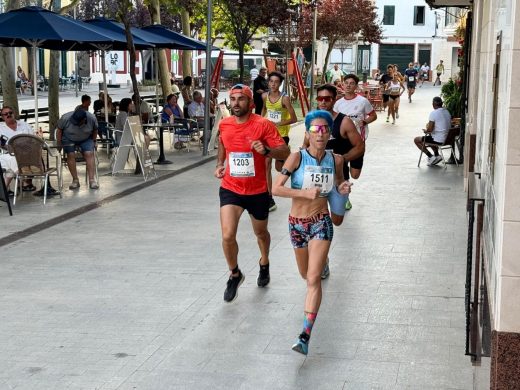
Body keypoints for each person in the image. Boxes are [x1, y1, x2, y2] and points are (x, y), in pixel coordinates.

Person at [272, 110, 352, 355]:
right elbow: (276, 189)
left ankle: (304, 335)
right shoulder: (296, 158)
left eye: (325, 129)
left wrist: (343, 187)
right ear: (307, 133)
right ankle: (322, 262)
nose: (320, 134)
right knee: (305, 274)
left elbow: (338, 182)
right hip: (296, 224)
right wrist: (302, 193)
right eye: (315, 130)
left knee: (312, 280)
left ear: (329, 133)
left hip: (321, 221)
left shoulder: (336, 159)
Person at [214, 84, 290, 302]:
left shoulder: (263, 125)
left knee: (261, 234)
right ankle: (234, 274)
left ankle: (264, 261)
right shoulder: (225, 124)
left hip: (257, 190)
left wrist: (266, 150)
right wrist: (220, 163)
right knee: (228, 235)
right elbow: (222, 144)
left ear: (251, 103)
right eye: (233, 99)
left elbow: (285, 151)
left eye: (241, 99)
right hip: (231, 187)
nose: (236, 103)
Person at [261, 71, 297, 212]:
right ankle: (269, 197)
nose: (273, 84)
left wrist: (279, 124)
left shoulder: (285, 98)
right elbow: (264, 111)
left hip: (281, 136)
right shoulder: (265, 96)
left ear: (280, 83)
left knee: (278, 168)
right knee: (267, 164)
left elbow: (294, 119)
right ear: (268, 82)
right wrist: (261, 122)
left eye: (276, 82)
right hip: (268, 135)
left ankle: (291, 163)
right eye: (271, 81)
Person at [56, 108, 99, 190]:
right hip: (69, 138)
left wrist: (94, 141)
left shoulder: (92, 118)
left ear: (84, 120)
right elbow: (59, 130)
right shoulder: (65, 118)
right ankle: (75, 180)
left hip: (86, 138)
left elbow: (95, 129)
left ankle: (92, 180)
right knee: (70, 154)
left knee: (89, 153)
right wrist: (59, 143)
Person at [0, 106, 36, 192]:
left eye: (10, 113)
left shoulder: (25, 125)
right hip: (7, 153)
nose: (8, 115)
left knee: (11, 165)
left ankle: (5, 190)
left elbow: (34, 140)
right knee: (11, 159)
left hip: (26, 153)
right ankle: (24, 181)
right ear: (2, 117)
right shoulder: (0, 128)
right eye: (6, 114)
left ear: (14, 113)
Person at [334, 74, 377, 141]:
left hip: (358, 135)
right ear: (343, 85)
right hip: (343, 136)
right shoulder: (338, 103)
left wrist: (364, 122)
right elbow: (334, 119)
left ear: (356, 86)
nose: (348, 85)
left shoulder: (363, 101)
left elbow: (373, 116)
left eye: (351, 83)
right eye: (346, 83)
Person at [414, 96, 452, 166]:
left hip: (440, 140)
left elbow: (430, 129)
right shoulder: (447, 111)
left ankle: (431, 157)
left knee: (416, 140)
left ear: (433, 104)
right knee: (430, 136)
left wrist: (426, 130)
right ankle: (437, 155)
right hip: (448, 139)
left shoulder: (433, 113)